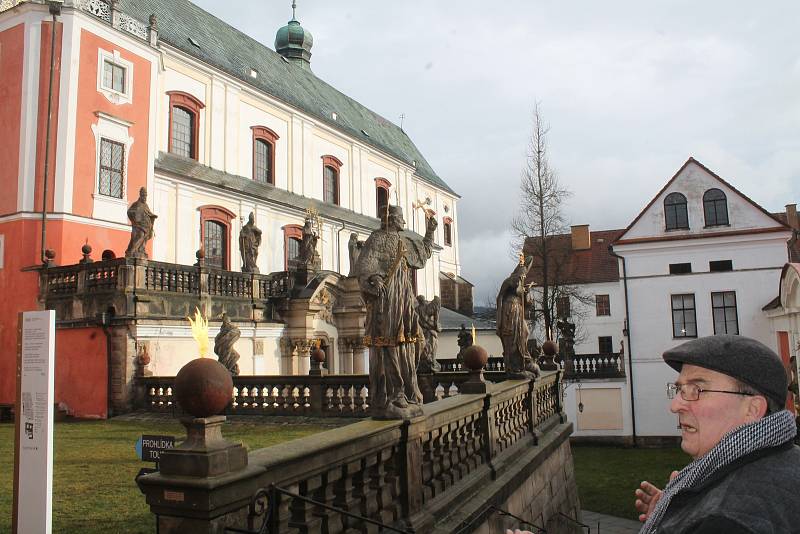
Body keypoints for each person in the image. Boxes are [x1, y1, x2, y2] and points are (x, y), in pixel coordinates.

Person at [635, 335, 800, 533]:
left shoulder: (725, 521)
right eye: (680, 389)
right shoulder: (787, 460)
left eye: (696, 389)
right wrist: (675, 515)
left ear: (753, 409)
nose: (675, 405)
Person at [355, 205, 437, 419]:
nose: (404, 223)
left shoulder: (405, 242)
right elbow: (365, 264)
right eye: (401, 218)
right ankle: (394, 392)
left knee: (414, 342)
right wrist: (375, 278)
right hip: (387, 299)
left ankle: (409, 390)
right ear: (391, 219)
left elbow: (423, 253)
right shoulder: (377, 238)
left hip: (404, 299)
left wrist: (430, 231)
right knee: (389, 342)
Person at [496, 255, 538, 378]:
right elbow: (500, 297)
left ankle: (523, 361)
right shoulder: (509, 281)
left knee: (524, 332)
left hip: (518, 311)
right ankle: (514, 368)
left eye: (524, 275)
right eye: (522, 275)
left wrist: (527, 293)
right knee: (512, 338)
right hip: (509, 311)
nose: (523, 277)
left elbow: (527, 304)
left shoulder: (521, 285)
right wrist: (499, 319)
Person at [125, 187, 157, 259]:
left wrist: (152, 216)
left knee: (145, 237)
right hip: (138, 225)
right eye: (143, 195)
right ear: (140, 195)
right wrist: (135, 216)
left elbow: (148, 213)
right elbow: (129, 212)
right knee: (140, 236)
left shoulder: (146, 205)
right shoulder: (136, 204)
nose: (145, 197)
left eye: (145, 195)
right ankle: (132, 251)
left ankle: (141, 250)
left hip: (146, 226)